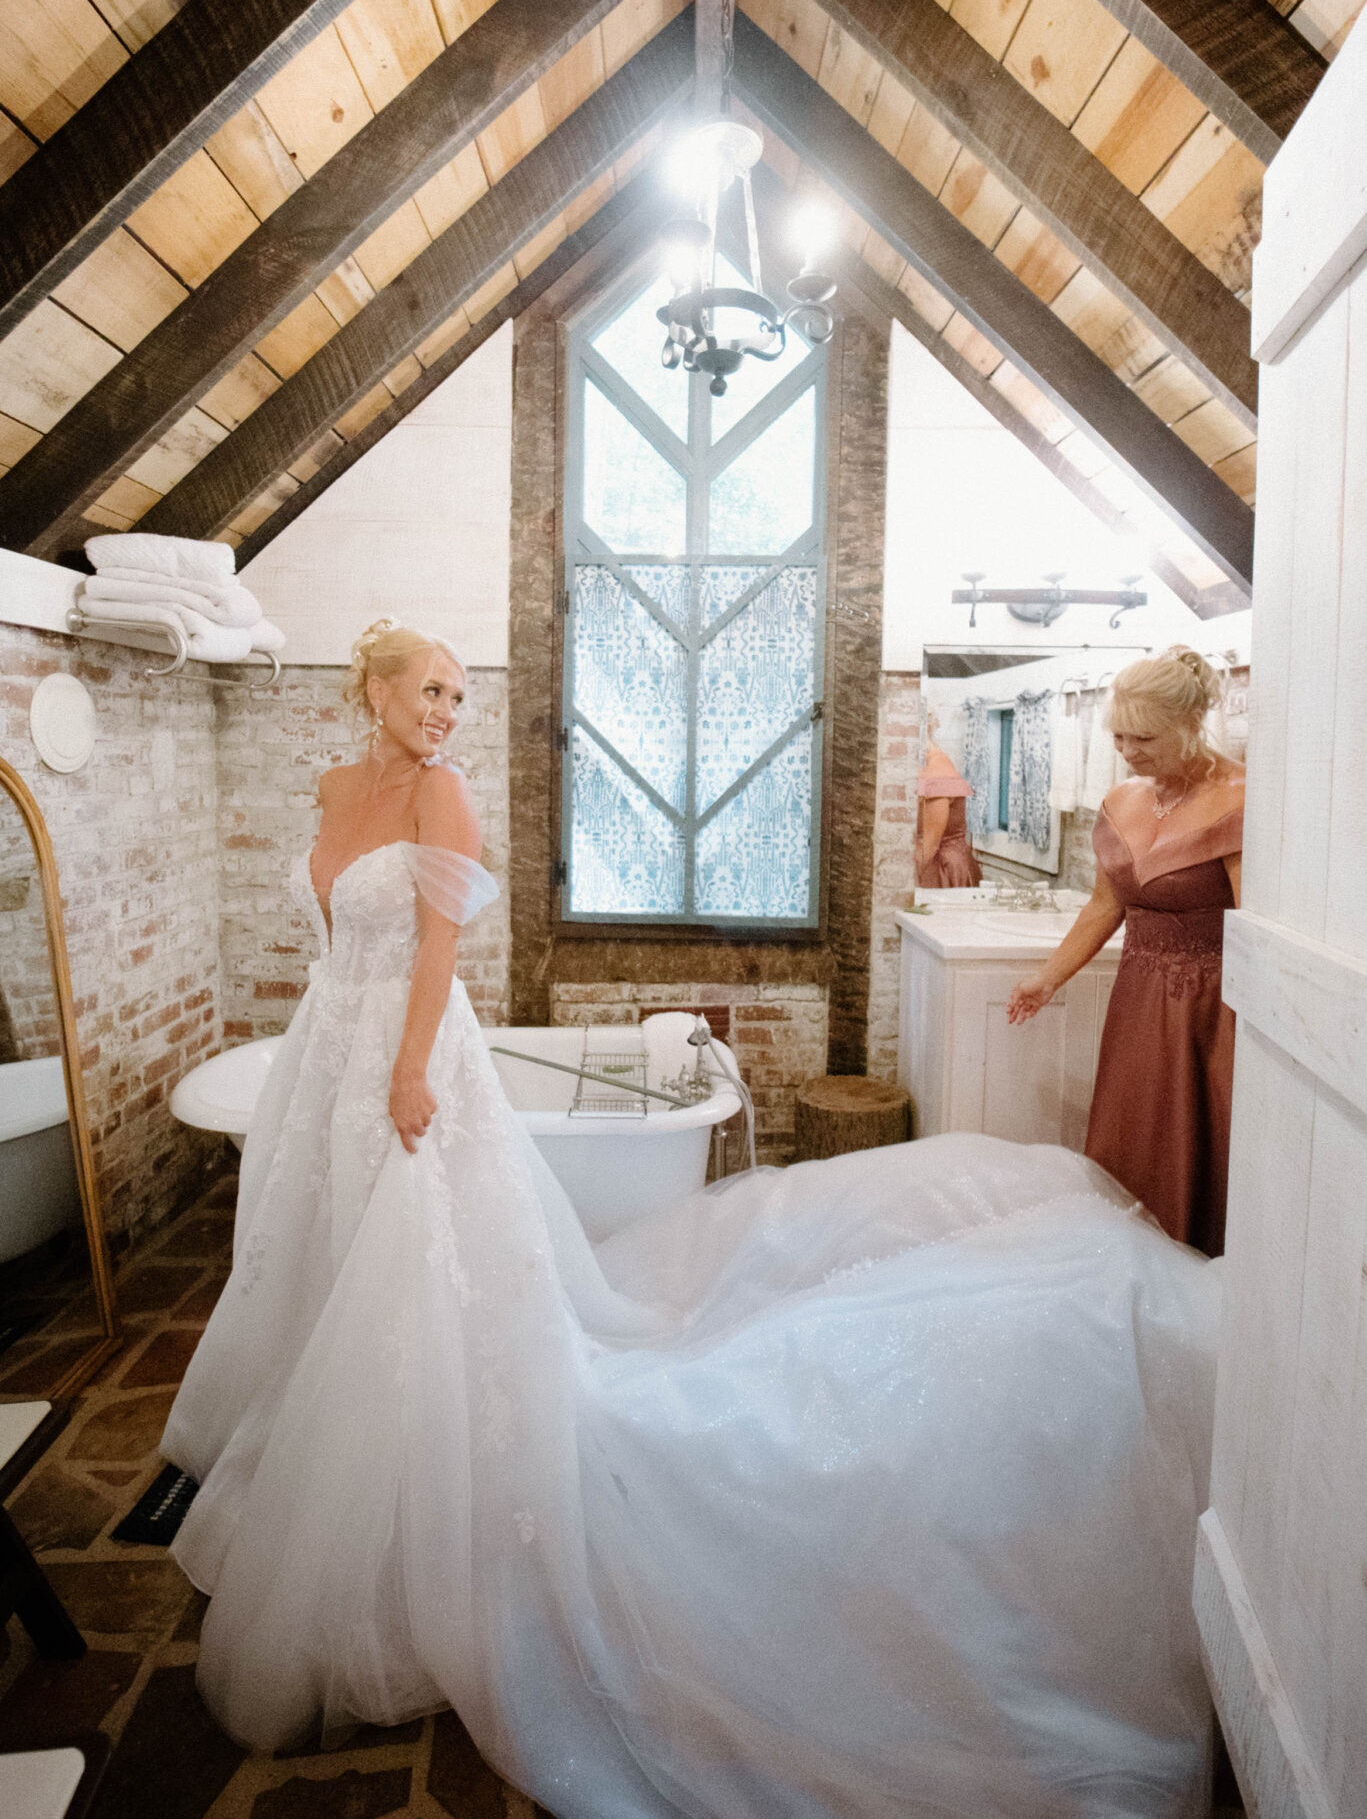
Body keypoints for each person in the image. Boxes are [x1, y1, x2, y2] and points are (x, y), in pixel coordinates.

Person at [163, 620, 1222, 1816]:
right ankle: (341, 1444)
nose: (447, 712)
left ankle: (420, 1471)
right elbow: (336, 935)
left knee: (415, 1275)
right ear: (371, 688)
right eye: (430, 692)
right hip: (328, 1050)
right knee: (331, 1258)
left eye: (460, 696)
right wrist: (335, 1059)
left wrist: (409, 1074)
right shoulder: (332, 784)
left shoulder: (446, 796)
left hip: (410, 1061)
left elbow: (438, 955)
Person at [1007, 647, 1243, 1256]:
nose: (1129, 753)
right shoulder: (1124, 801)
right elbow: (1104, 907)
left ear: (1192, 727)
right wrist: (1047, 978)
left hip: (1214, 1010)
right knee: (1131, 1136)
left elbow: (1256, 929)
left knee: (1201, 1143)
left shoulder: (1245, 800)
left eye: (1145, 738)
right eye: (1118, 737)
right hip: (1139, 998)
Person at [915, 707, 983, 889]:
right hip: (934, 863)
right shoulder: (925, 764)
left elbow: (930, 844)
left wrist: (904, 882)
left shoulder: (937, 770)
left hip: (942, 869)